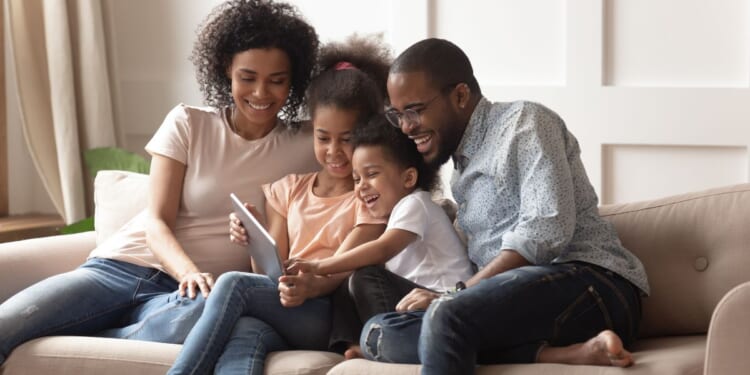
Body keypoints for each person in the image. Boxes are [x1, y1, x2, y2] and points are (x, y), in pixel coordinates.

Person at [0, 0, 320, 365]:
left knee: (210, 315)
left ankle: (97, 333)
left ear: (293, 82)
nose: (261, 93)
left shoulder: (309, 144)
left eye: (277, 81)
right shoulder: (189, 123)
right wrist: (189, 272)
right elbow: (156, 220)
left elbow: (361, 132)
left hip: (186, 301)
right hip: (119, 268)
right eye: (247, 78)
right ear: (225, 71)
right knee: (7, 324)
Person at [360, 38, 651, 374]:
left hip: (592, 285)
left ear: (460, 96)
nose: (407, 127)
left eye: (415, 110)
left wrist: (455, 297)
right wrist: (454, 298)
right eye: (398, 115)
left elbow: (545, 230)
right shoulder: (462, 169)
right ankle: (568, 354)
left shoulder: (524, 122)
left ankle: (457, 323)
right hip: (521, 303)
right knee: (377, 334)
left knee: (446, 316)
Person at [167, 35, 392, 375]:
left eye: (347, 139)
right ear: (311, 131)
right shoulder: (288, 190)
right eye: (322, 137)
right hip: (286, 304)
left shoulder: (369, 200)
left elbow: (339, 268)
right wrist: (255, 238)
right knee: (246, 333)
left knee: (232, 283)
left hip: (326, 314)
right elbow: (266, 273)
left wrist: (309, 284)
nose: (333, 151)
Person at [287, 116, 474, 359]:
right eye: (356, 179)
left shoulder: (416, 203)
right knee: (351, 279)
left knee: (366, 274)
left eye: (371, 174)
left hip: (441, 304)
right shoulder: (396, 216)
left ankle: (384, 339)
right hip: (415, 305)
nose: (361, 186)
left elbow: (382, 249)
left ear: (408, 178)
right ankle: (353, 342)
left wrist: (320, 265)